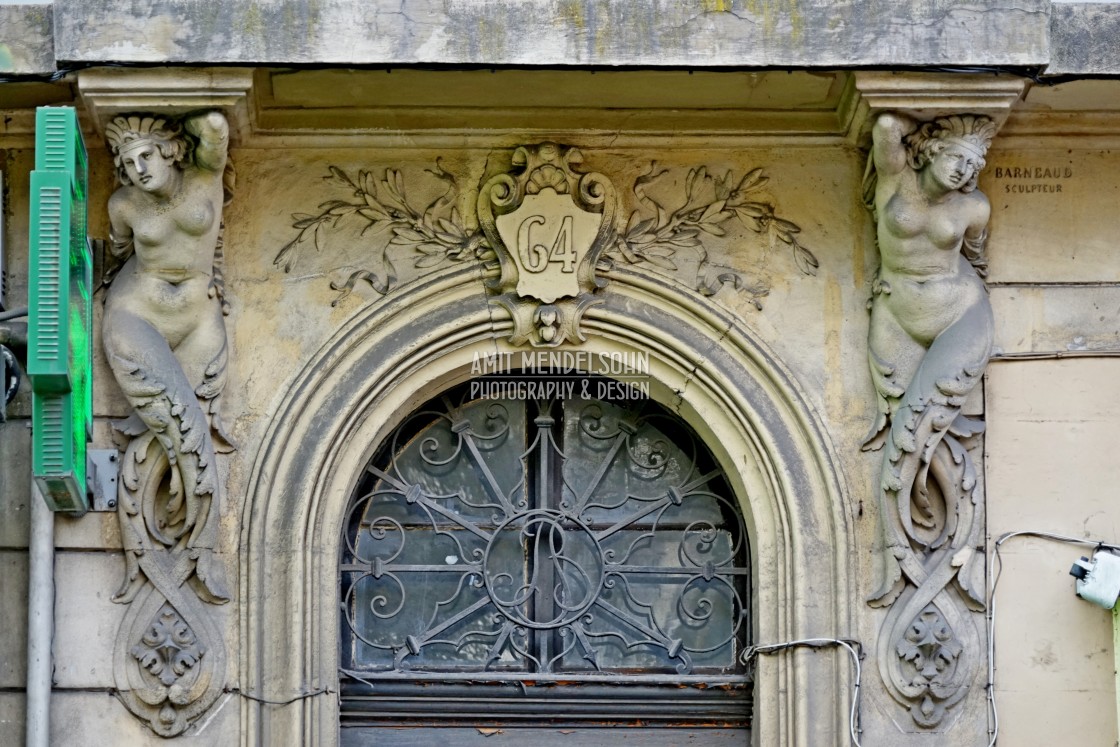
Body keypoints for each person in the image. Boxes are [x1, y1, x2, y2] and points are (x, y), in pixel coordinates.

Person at [863, 113, 997, 606]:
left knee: (924, 423)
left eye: (974, 164)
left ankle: (943, 557)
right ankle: (910, 556)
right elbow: (884, 125)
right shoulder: (894, 177)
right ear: (930, 152)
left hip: (958, 314)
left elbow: (978, 258)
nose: (965, 171)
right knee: (904, 436)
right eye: (957, 158)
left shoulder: (974, 207)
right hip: (896, 316)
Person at [103, 111, 234, 604]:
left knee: (189, 431)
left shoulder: (205, 176)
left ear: (171, 151)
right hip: (137, 315)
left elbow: (217, 132)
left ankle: (191, 551)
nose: (138, 168)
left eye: (146, 155)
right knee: (179, 425)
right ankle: (173, 557)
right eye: (128, 161)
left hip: (200, 320)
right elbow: (119, 252)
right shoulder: (123, 205)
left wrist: (204, 99)